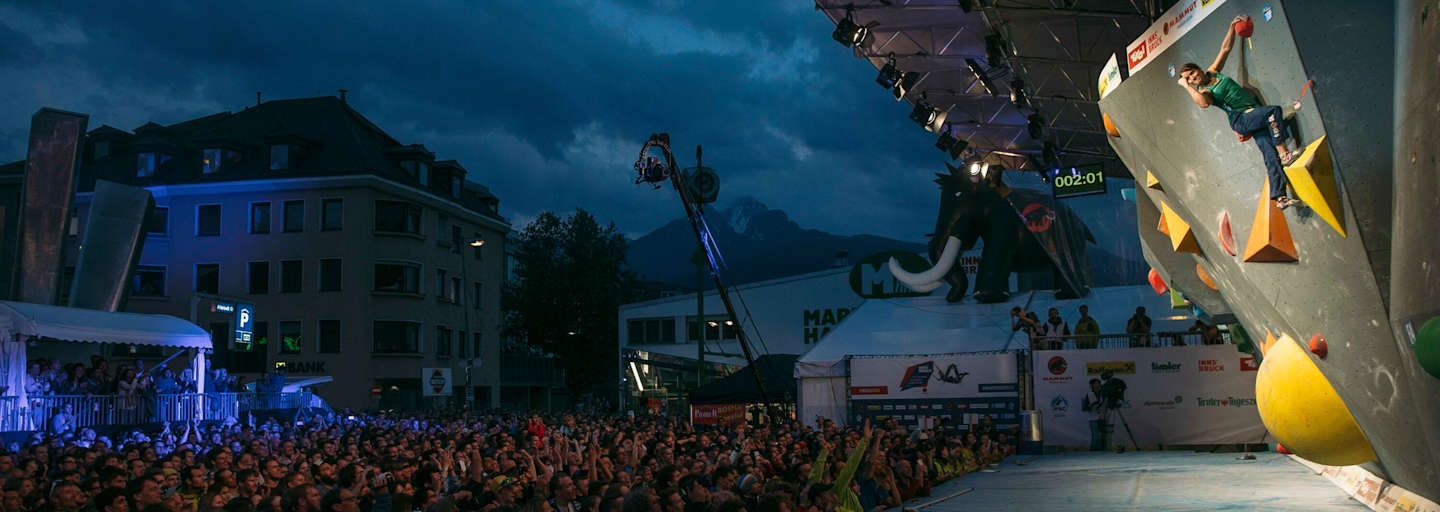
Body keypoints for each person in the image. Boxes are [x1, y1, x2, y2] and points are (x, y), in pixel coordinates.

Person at [1178, 15, 1302, 209]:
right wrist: (1186, 87)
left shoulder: (1213, 72)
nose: (1193, 79)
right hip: (1241, 120)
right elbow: (1203, 105)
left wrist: (1231, 26)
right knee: (1273, 112)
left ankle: (1280, 197)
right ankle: (1286, 154)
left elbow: (1225, 49)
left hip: (1252, 115)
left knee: (1269, 154)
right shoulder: (1205, 92)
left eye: (1192, 74)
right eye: (1189, 79)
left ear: (1198, 69)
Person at [1081, 379, 1109, 451]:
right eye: (1095, 383)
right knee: (1095, 436)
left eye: (1098, 383)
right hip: (1093, 417)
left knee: (1103, 435)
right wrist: (1090, 406)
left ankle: (1103, 451)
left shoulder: (1103, 393)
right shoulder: (1089, 394)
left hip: (1102, 416)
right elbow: (1084, 407)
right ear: (1091, 385)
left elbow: (1106, 404)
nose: (1097, 385)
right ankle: (1093, 451)